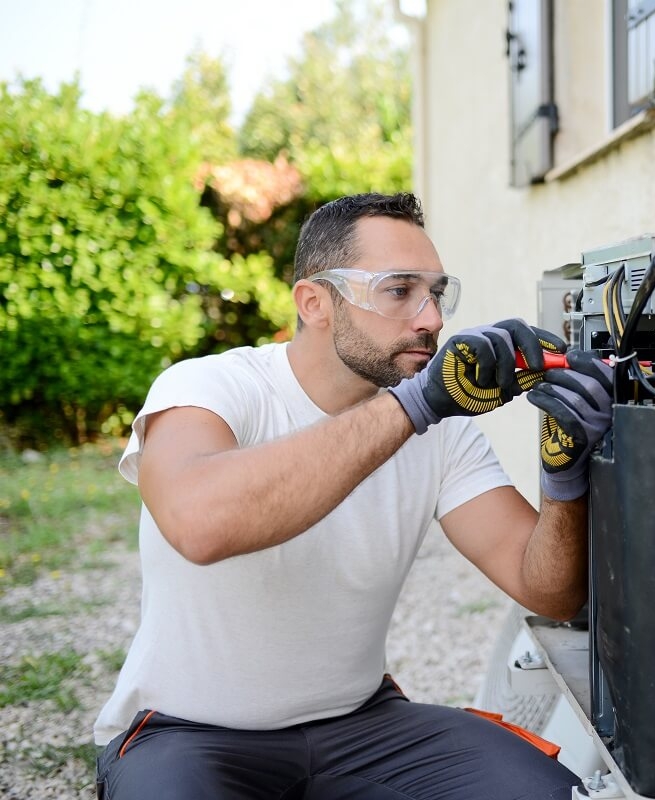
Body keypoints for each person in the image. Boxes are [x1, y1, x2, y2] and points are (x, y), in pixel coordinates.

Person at [93, 192, 614, 799]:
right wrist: (415, 406)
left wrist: (563, 477)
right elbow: (199, 524)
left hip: (364, 725)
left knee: (542, 793)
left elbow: (549, 589)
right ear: (315, 302)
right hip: (187, 735)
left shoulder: (441, 429)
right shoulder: (210, 387)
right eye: (399, 290)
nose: (431, 319)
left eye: (437, 293)